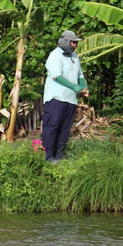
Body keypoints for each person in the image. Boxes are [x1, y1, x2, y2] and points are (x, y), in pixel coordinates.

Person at [41, 30, 88, 162]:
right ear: (66, 42)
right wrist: (74, 87)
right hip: (56, 98)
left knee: (65, 128)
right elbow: (56, 76)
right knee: (52, 126)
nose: (75, 45)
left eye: (76, 43)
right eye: (73, 42)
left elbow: (80, 75)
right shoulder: (55, 56)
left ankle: (60, 156)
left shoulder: (74, 56)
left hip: (70, 99)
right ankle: (49, 156)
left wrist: (84, 86)